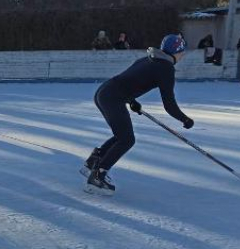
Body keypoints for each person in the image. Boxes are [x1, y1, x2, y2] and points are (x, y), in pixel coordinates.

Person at [82, 34, 193, 196]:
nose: (183, 55)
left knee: (121, 136)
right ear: (176, 51)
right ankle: (98, 175)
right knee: (127, 139)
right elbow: (169, 104)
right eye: (182, 51)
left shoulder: (149, 59)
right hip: (113, 97)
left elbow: (128, 79)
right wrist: (184, 119)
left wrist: (132, 100)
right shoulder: (166, 68)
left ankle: (93, 162)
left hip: (104, 92)